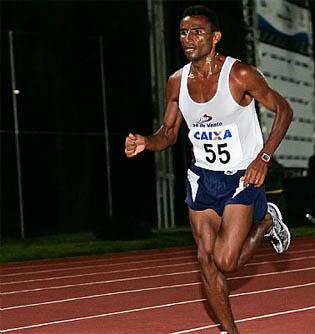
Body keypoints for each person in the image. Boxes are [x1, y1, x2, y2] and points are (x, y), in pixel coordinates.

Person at [124, 6, 293, 333]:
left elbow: (283, 111)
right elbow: (169, 134)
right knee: (206, 260)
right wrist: (147, 141)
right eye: (184, 32)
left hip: (243, 177)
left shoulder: (240, 75)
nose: (188, 39)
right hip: (202, 178)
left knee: (226, 262)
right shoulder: (176, 82)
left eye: (197, 32)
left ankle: (267, 221)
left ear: (215, 37)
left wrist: (264, 157)